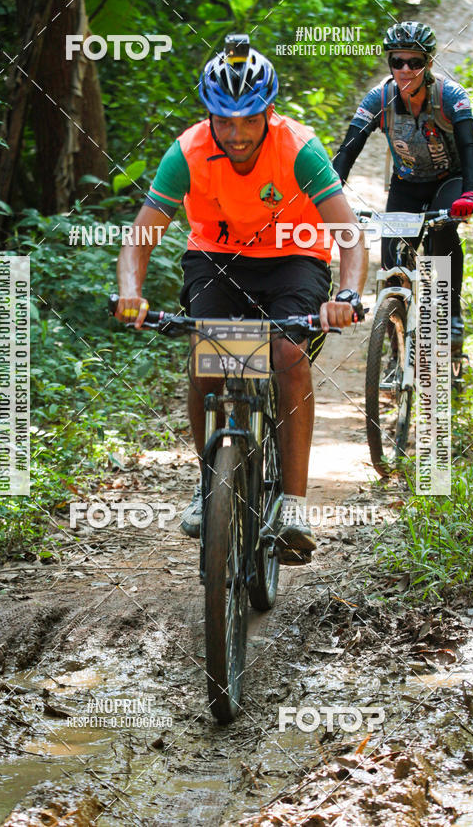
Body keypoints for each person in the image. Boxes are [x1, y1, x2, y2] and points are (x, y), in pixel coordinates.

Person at [115, 34, 367, 564]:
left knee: (286, 354)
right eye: (223, 121)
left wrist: (345, 292)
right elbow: (141, 235)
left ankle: (294, 504)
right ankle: (207, 486)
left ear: (268, 113)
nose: (236, 134)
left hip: (294, 258)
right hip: (216, 258)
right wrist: (131, 292)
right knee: (209, 356)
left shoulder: (299, 148)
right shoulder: (186, 152)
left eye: (248, 120)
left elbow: (347, 233)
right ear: (208, 115)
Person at [333, 21, 473, 341]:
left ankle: (450, 316)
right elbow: (348, 150)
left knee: (442, 235)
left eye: (414, 62)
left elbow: (469, 147)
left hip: (447, 182)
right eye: (397, 61)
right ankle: (394, 341)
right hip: (407, 184)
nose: (405, 69)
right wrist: (329, 193)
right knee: (392, 264)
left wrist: (469, 192)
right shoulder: (379, 99)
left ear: (428, 64)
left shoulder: (450, 96)